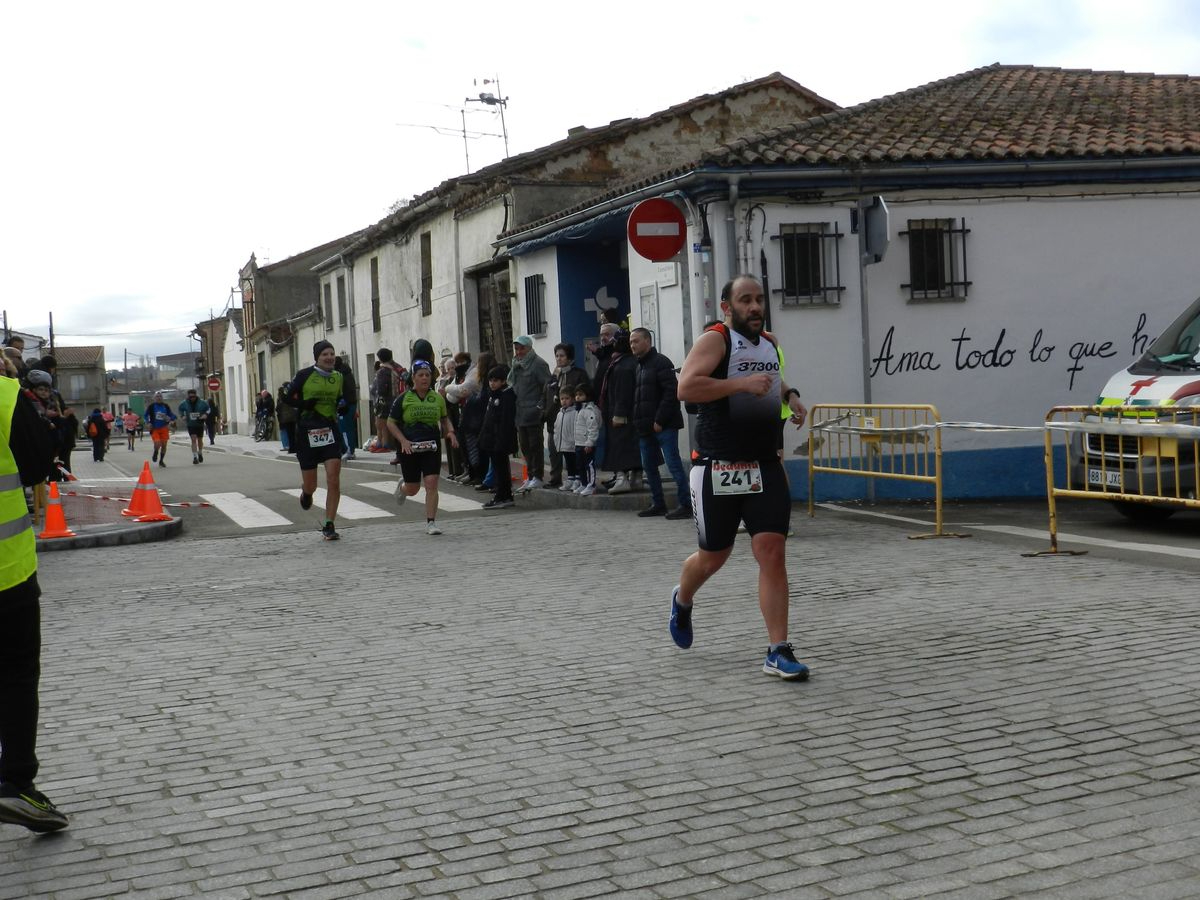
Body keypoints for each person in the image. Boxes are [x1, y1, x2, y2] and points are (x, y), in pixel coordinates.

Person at [670, 274, 810, 680]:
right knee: (714, 556)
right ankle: (682, 599)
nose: (755, 307)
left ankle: (778, 650)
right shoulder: (715, 340)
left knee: (772, 551)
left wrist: (790, 396)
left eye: (759, 299)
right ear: (726, 307)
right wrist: (740, 385)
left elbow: (769, 380)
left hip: (763, 463)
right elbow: (686, 388)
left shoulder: (769, 342)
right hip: (718, 465)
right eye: (745, 300)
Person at [0, 364, 69, 833]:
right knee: (16, 676)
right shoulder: (6, 397)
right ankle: (15, 783)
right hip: (5, 573)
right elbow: (39, 463)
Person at [285, 340, 351, 541]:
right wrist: (304, 404)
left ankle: (329, 524)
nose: (329, 357)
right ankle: (306, 493)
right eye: (325, 354)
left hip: (329, 430)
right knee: (311, 484)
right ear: (317, 357)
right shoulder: (304, 375)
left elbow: (342, 399)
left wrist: (342, 405)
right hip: (307, 432)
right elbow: (286, 398)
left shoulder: (338, 377)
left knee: (333, 478)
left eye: (331, 354)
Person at [388, 360, 459, 535]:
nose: (425, 378)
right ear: (413, 378)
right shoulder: (403, 398)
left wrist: (450, 432)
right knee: (413, 489)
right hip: (409, 447)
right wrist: (403, 441)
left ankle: (431, 523)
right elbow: (391, 423)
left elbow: (444, 419)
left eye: (427, 375)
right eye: (421, 375)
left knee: (431, 483)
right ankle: (403, 488)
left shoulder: (437, 398)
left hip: (431, 446)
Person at [630, 327, 692, 520]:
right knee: (649, 467)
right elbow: (640, 397)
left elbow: (671, 393)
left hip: (664, 425)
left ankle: (686, 504)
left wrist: (659, 420)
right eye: (631, 342)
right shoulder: (639, 366)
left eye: (636, 341)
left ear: (647, 341)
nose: (632, 345)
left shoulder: (661, 362)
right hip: (645, 428)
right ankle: (658, 503)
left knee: (674, 465)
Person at [597, 330, 641, 494]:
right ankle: (636, 478)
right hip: (632, 413)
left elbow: (622, 393)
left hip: (621, 414)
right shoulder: (631, 362)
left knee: (620, 446)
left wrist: (618, 414)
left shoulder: (622, 366)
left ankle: (622, 479)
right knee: (632, 446)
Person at [543, 343, 589, 488]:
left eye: (562, 356)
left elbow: (584, 393)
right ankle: (555, 478)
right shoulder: (554, 376)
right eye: (557, 356)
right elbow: (546, 394)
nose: (559, 359)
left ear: (569, 357)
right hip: (555, 418)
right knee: (554, 449)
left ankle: (578, 478)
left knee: (573, 452)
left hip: (573, 418)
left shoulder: (579, 374)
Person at [508, 335, 551, 491]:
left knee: (535, 446)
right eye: (516, 349)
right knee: (525, 446)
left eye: (522, 348)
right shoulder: (517, 365)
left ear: (529, 348)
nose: (519, 352)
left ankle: (538, 476)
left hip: (533, 412)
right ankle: (531, 476)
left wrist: (540, 407)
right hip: (520, 412)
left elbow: (547, 387)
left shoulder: (538, 364)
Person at [479, 365, 517, 510]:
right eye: (490, 380)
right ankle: (503, 495)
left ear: (503, 381)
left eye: (496, 381)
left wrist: (501, 440)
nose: (492, 383)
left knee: (501, 469)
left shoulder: (506, 396)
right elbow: (488, 419)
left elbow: (505, 421)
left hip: (499, 439)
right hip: (491, 439)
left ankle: (503, 495)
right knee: (497, 467)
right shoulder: (493, 395)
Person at [371, 348, 407, 452]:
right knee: (391, 422)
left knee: (381, 424)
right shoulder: (398, 367)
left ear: (380, 358)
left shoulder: (382, 371)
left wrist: (374, 391)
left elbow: (380, 389)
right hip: (398, 398)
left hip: (384, 401)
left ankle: (383, 443)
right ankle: (388, 443)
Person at [572, 382, 602, 496]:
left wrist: (590, 443)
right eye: (576, 395)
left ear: (588, 395)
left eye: (580, 395)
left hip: (587, 444)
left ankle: (591, 485)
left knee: (589, 465)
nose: (577, 397)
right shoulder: (579, 409)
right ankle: (583, 484)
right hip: (579, 443)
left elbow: (593, 428)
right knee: (580, 465)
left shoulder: (590, 410)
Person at [553, 386, 579, 492]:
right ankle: (570, 480)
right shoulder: (559, 414)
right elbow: (556, 429)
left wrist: (576, 441)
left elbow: (577, 428)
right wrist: (557, 442)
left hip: (573, 444)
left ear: (572, 399)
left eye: (567, 398)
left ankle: (577, 480)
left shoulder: (575, 412)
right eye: (562, 399)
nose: (564, 401)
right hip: (563, 444)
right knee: (568, 463)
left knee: (575, 462)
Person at [333, 356, 358, 460]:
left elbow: (340, 391)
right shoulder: (348, 373)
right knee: (349, 428)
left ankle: (348, 451)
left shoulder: (339, 375)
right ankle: (349, 450)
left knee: (344, 429)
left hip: (344, 405)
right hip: (351, 403)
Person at [144, 392, 177, 467]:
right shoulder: (151, 406)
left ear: (162, 398)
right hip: (154, 428)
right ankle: (156, 452)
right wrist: (148, 422)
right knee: (157, 443)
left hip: (164, 428)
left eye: (160, 396)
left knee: (164, 445)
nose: (159, 398)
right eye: (157, 396)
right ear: (154, 398)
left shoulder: (166, 406)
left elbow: (171, 414)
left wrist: (173, 419)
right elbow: (145, 415)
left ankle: (161, 461)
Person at [178, 389, 210, 464]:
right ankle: (195, 457)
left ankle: (200, 452)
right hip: (191, 424)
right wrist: (182, 416)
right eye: (190, 397)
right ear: (188, 396)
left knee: (200, 440)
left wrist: (205, 414)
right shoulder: (184, 403)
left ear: (196, 395)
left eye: (193, 396)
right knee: (193, 439)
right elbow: (180, 409)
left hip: (199, 423)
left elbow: (208, 409)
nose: (192, 398)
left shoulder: (202, 402)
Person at [276, 382, 296, 452]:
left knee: (289, 433)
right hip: (291, 417)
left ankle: (290, 447)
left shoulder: (282, 397)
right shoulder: (290, 395)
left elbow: (278, 408)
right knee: (292, 433)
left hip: (286, 418)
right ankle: (292, 447)